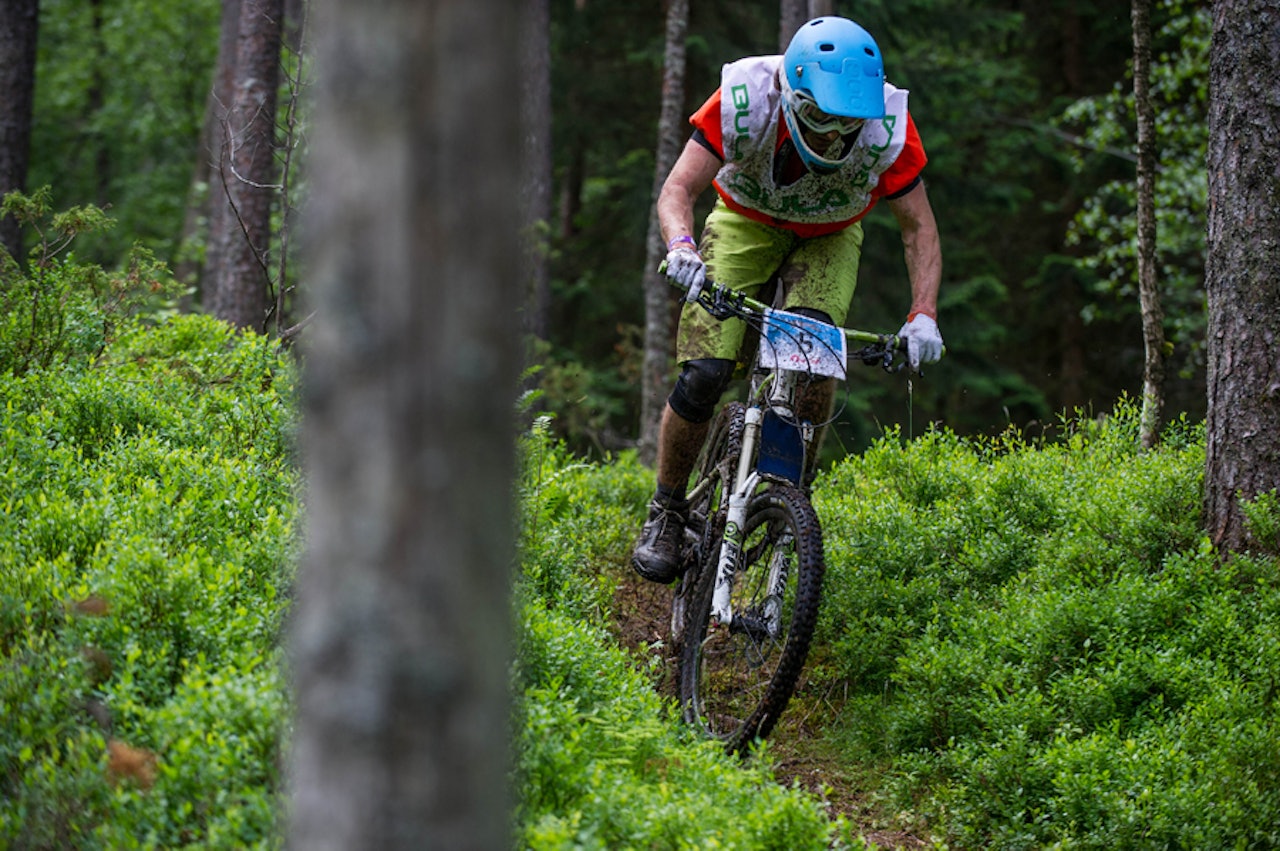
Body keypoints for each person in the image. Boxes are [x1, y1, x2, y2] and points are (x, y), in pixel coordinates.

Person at [632, 16, 944, 583]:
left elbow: (918, 228)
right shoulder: (747, 98)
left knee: (813, 362)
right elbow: (678, 187)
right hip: (744, 222)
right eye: (822, 119)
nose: (836, 137)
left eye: (849, 123)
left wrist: (923, 314)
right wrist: (681, 246)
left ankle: (791, 496)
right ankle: (668, 510)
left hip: (830, 237)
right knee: (704, 374)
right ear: (794, 97)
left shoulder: (888, 127)